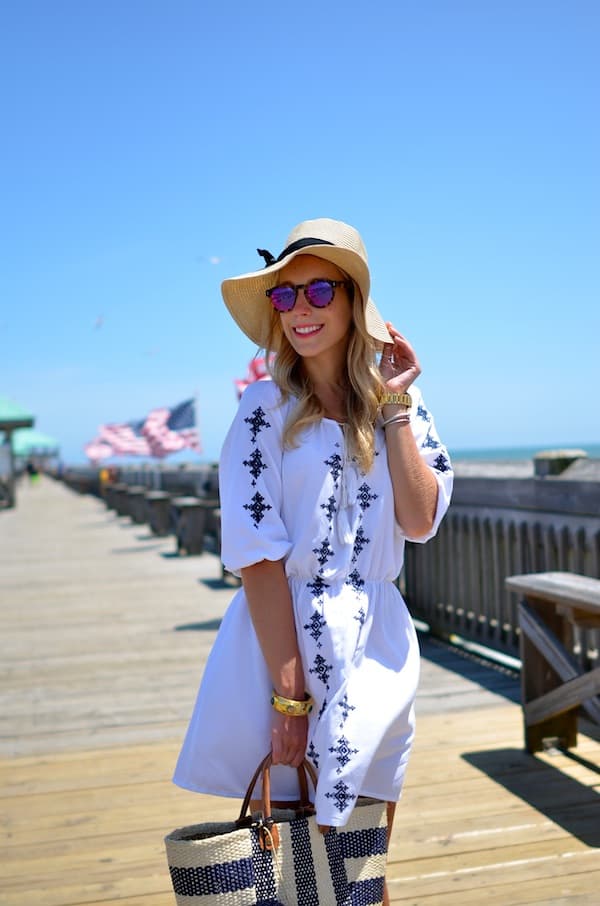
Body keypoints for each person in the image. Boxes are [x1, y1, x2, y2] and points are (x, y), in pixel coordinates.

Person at [173, 218, 453, 903]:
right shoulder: (263, 409)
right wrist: (289, 696)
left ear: (355, 301)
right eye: (285, 296)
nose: (299, 309)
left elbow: (419, 522)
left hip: (378, 650)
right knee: (284, 862)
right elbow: (257, 557)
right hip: (282, 649)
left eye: (319, 292)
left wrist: (391, 407)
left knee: (361, 871)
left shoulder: (401, 406)